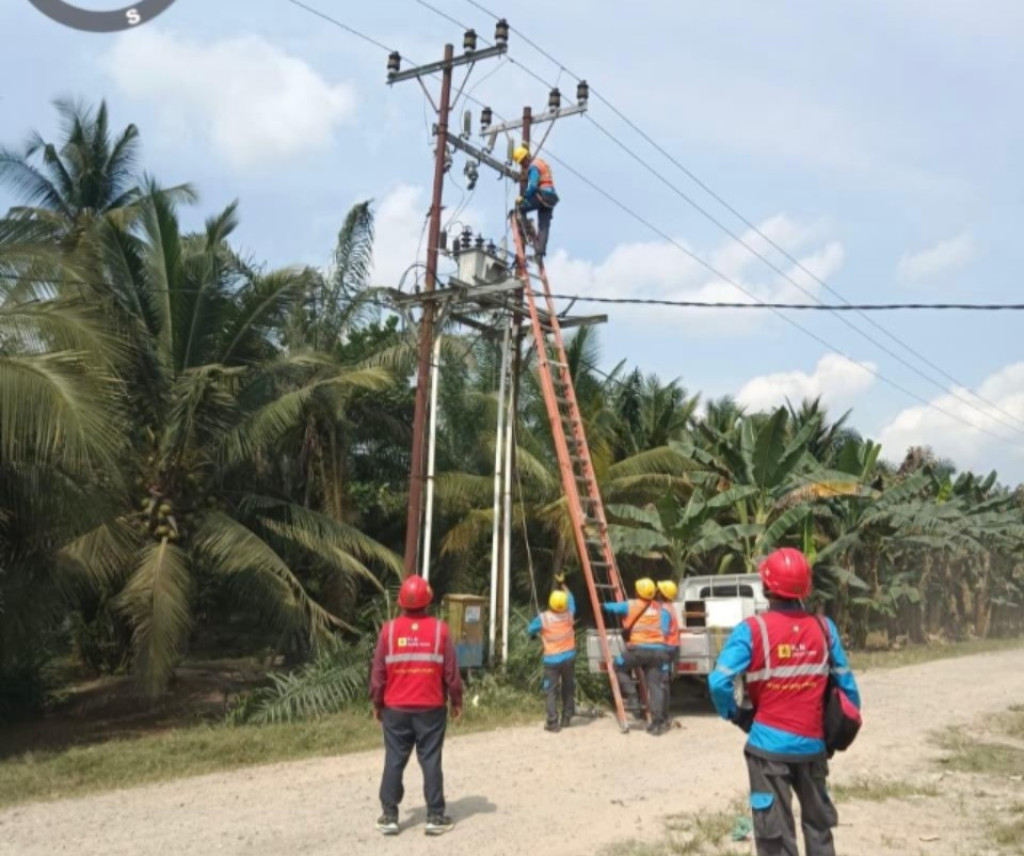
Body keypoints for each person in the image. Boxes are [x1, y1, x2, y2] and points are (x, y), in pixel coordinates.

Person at [708, 548, 862, 856]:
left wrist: (736, 714)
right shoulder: (824, 628)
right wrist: (837, 731)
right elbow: (848, 689)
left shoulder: (752, 630)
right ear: (805, 588)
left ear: (766, 587)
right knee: (819, 829)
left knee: (775, 837)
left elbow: (718, 682)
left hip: (768, 750)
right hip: (813, 748)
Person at [370, 575, 463, 837]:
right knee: (430, 759)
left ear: (401, 602)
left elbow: (378, 673)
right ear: (428, 601)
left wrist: (378, 703)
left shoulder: (388, 631)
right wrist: (457, 701)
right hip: (431, 709)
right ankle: (435, 816)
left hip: (395, 710)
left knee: (394, 759)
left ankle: (389, 816)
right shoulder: (439, 630)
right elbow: (451, 674)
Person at [602, 577, 674, 735]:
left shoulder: (630, 605)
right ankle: (657, 723)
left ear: (637, 592)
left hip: (639, 651)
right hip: (659, 651)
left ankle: (632, 695)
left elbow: (610, 607)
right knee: (655, 686)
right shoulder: (659, 607)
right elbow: (665, 628)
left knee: (618, 666)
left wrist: (602, 605)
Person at [527, 580, 577, 732]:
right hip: (569, 657)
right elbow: (571, 598)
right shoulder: (569, 614)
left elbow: (530, 630)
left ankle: (552, 722)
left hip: (552, 660)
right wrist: (563, 583)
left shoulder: (544, 618)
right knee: (568, 687)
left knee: (551, 690)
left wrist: (536, 634)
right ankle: (567, 717)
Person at [512, 144, 559, 260]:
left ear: (527, 157)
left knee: (520, 208)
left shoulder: (533, 167)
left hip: (543, 195)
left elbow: (532, 185)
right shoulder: (540, 162)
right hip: (551, 198)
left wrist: (524, 197)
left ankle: (526, 229)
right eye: (521, 163)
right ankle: (539, 253)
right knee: (543, 225)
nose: (523, 164)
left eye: (523, 162)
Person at [656, 579, 681, 727]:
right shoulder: (670, 607)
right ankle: (664, 713)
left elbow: (663, 630)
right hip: (672, 647)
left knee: (661, 681)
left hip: (666, 647)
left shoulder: (664, 610)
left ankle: (663, 715)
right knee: (664, 680)